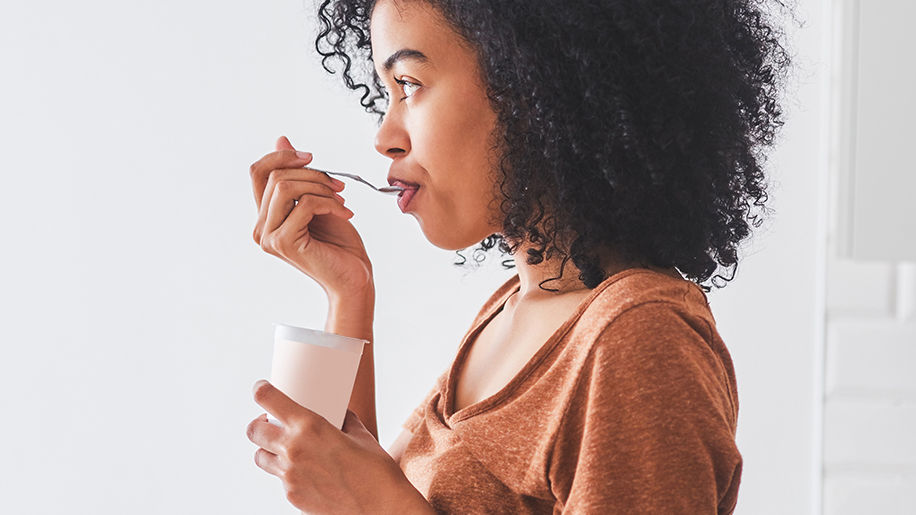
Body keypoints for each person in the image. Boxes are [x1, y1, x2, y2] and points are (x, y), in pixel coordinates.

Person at [244, 0, 793, 512]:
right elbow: (342, 484)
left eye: (409, 84)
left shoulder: (637, 336)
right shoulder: (515, 307)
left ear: (533, 86)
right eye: (384, 91)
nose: (385, 136)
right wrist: (348, 289)